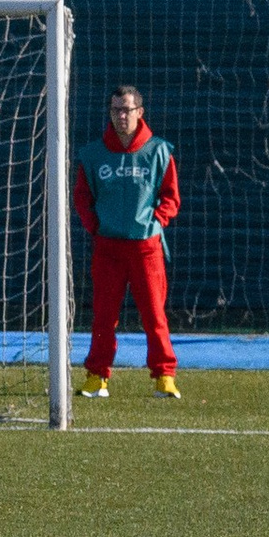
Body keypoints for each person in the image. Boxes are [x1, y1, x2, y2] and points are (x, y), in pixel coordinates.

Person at [76, 84, 182, 399]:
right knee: (103, 315)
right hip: (107, 247)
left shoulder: (159, 150)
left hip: (145, 247)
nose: (121, 116)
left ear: (140, 112)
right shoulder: (94, 154)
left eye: (127, 109)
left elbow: (170, 197)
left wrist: (157, 221)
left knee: (154, 314)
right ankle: (97, 376)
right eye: (116, 110)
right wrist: (96, 227)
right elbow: (82, 197)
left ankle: (164, 377)